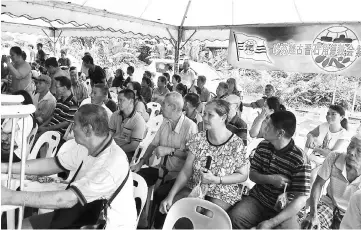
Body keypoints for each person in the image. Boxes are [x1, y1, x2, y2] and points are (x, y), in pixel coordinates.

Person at [1, 104, 137, 229]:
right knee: (23, 226)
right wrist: (5, 167)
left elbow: (66, 199)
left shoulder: (110, 164)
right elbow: (53, 164)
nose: (71, 128)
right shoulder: (88, 146)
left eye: (75, 124)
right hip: (83, 213)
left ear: (87, 129)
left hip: (106, 224)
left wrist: (9, 196)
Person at [159, 99, 249, 228]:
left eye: (210, 115)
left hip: (222, 191)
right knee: (179, 210)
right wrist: (170, 195)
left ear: (223, 117)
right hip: (196, 187)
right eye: (204, 113)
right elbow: (186, 171)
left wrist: (216, 179)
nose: (204, 118)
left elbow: (243, 175)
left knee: (207, 218)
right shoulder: (199, 138)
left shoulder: (236, 144)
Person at [229, 110, 311, 229]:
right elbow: (252, 175)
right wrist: (271, 179)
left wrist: (271, 222)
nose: (264, 128)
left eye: (268, 126)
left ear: (280, 133)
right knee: (235, 217)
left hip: (285, 208)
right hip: (259, 199)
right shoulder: (263, 146)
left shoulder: (299, 159)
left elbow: (301, 198)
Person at [131, 92, 198, 226]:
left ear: (173, 107)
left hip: (178, 175)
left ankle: (157, 225)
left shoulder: (190, 127)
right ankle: (141, 221)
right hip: (161, 170)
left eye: (164, 104)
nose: (161, 106)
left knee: (160, 195)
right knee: (135, 179)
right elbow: (153, 145)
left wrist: (170, 150)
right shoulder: (165, 122)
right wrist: (141, 163)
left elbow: (193, 156)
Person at [300, 135, 361, 230]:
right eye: (351, 146)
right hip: (329, 204)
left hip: (350, 213)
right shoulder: (335, 157)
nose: (352, 152)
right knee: (309, 227)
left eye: (359, 151)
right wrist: (313, 214)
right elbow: (318, 184)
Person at [109, 89, 146, 162]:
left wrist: (116, 150)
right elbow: (109, 134)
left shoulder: (138, 120)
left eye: (122, 100)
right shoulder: (115, 115)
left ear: (131, 101)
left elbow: (133, 145)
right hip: (112, 149)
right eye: (118, 100)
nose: (118, 103)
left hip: (126, 153)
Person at [1, 90, 35, 163]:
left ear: (22, 103)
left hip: (16, 152)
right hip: (7, 146)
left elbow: (6, 129)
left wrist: (17, 111)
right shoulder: (14, 114)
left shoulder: (26, 117)